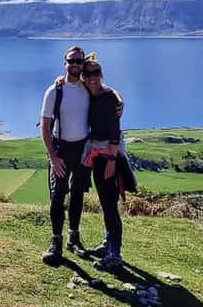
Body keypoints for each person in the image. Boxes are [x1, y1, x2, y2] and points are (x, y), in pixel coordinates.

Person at [39, 46, 123, 266]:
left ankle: (73, 238)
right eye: (71, 60)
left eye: (79, 61)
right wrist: (53, 157)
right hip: (61, 150)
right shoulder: (54, 91)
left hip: (83, 149)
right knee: (58, 196)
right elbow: (45, 127)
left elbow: (107, 90)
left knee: (77, 194)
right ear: (65, 63)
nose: (75, 64)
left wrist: (119, 100)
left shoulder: (87, 87)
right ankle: (55, 241)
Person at [80, 52, 136, 270]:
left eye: (96, 73)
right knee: (105, 203)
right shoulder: (89, 94)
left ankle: (115, 254)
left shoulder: (108, 97)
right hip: (97, 155)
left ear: (101, 74)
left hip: (109, 156)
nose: (92, 77)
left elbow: (115, 131)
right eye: (88, 73)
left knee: (110, 205)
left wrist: (112, 160)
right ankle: (107, 243)